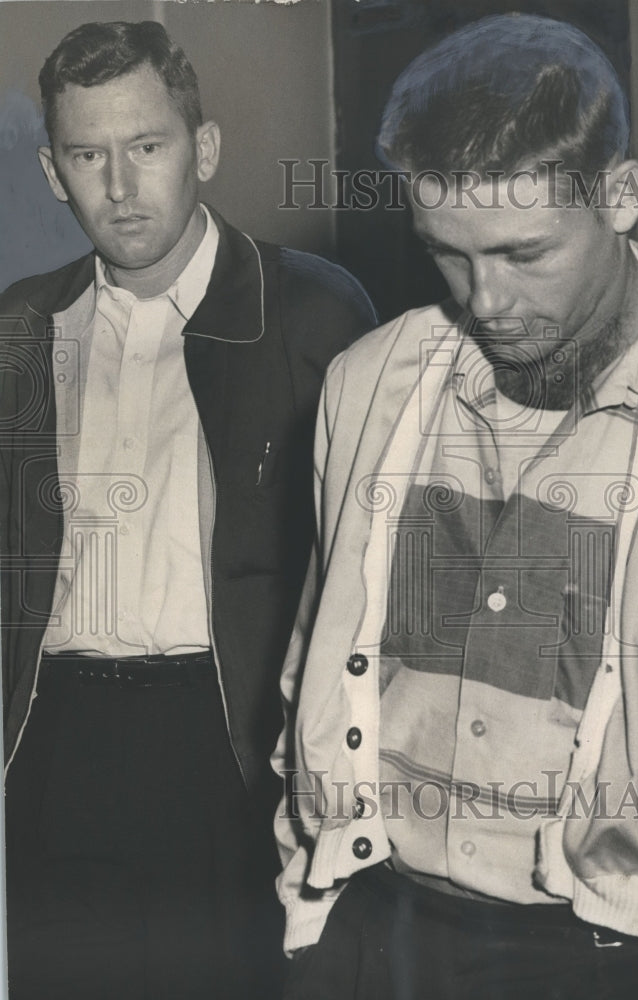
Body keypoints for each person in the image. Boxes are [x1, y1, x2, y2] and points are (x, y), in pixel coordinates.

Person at [274, 13, 638, 1000]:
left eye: (525, 253)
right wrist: (307, 912)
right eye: (450, 252)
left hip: (627, 960)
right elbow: (315, 667)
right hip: (382, 931)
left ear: (622, 195)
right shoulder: (368, 382)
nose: (485, 301)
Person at [0, 19, 375, 1000]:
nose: (119, 188)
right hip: (54, 742)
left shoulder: (314, 313)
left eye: (147, 148)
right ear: (52, 172)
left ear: (203, 149)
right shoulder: (19, 328)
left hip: (236, 745)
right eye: (88, 155)